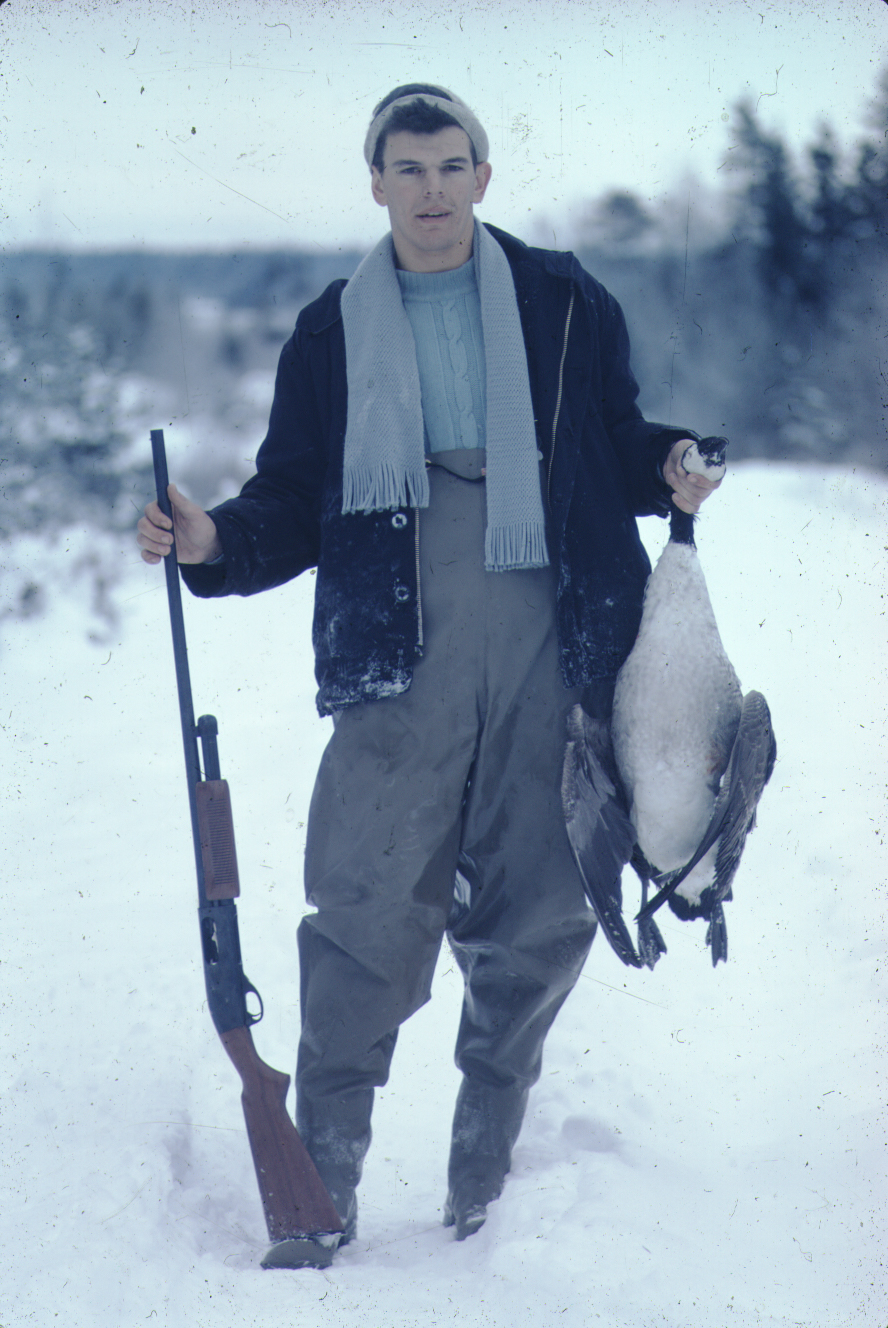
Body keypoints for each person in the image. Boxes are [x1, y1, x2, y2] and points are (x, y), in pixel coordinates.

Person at [137, 83, 721, 1265]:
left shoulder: (563, 300)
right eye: (409, 169)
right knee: (365, 911)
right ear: (376, 182)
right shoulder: (329, 328)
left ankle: (488, 1198)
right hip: (395, 637)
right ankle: (320, 1194)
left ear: (484, 178)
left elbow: (609, 441)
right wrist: (212, 542)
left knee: (541, 914)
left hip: (554, 626)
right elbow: (297, 492)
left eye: (453, 166)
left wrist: (666, 460)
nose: (434, 190)